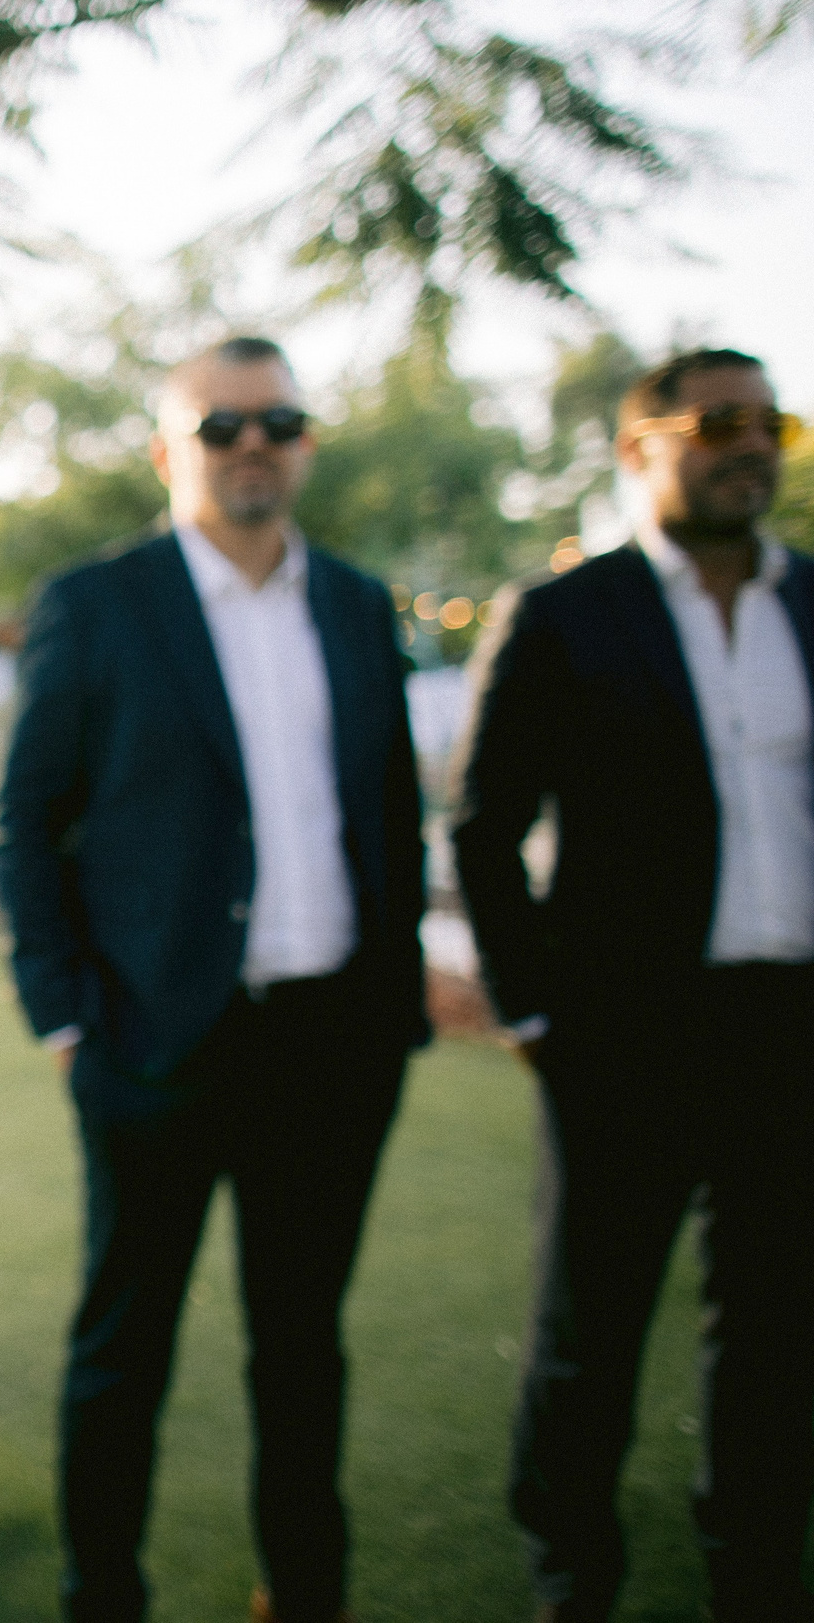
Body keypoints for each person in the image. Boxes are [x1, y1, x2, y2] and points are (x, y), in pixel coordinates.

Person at [0, 337, 429, 1623]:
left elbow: (391, 811)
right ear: (168, 450)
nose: (251, 446)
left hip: (333, 1041)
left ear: (301, 442)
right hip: (153, 1040)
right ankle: (101, 1596)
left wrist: (394, 1008)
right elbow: (27, 822)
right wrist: (65, 1016)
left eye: (276, 422)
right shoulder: (100, 602)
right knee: (123, 1349)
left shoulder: (354, 601)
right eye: (221, 426)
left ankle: (304, 1592)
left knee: (303, 1348)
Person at [451, 347, 813, 1623]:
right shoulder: (567, 614)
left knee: (776, 1329)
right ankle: (570, 1576)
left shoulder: (809, 602)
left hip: (791, 1027)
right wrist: (534, 1008)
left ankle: (756, 1568)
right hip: (625, 1033)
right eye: (718, 422)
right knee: (588, 1334)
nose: (750, 447)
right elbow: (485, 828)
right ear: (638, 446)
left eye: (769, 423)